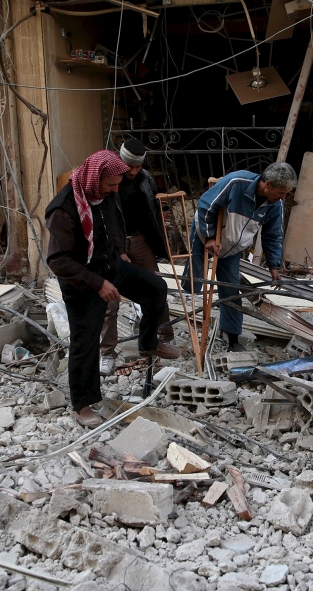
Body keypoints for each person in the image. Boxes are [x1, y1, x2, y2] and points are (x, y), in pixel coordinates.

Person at [46, 150, 180, 428]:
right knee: (86, 341)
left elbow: (115, 223)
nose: (116, 189)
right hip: (81, 280)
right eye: (111, 185)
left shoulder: (106, 194)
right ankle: (82, 405)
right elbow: (59, 260)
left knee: (155, 287)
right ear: (96, 180)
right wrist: (98, 283)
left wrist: (120, 251)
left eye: (117, 185)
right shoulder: (64, 208)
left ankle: (148, 343)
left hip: (110, 265)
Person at [185, 162, 297, 351]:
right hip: (205, 235)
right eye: (281, 193)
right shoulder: (237, 182)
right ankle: (193, 324)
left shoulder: (274, 205)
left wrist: (274, 266)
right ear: (267, 184)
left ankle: (233, 339)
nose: (283, 198)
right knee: (193, 283)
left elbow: (273, 235)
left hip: (232, 248)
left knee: (230, 289)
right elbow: (206, 205)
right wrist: (210, 236)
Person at [99, 138, 174, 376]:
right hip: (114, 246)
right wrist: (118, 250)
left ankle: (162, 337)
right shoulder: (108, 181)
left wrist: (161, 241)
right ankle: (107, 353)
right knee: (110, 299)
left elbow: (152, 212)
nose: (132, 171)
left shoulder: (145, 179)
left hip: (140, 240)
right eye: (128, 166)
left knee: (156, 286)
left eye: (137, 167)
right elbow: (106, 221)